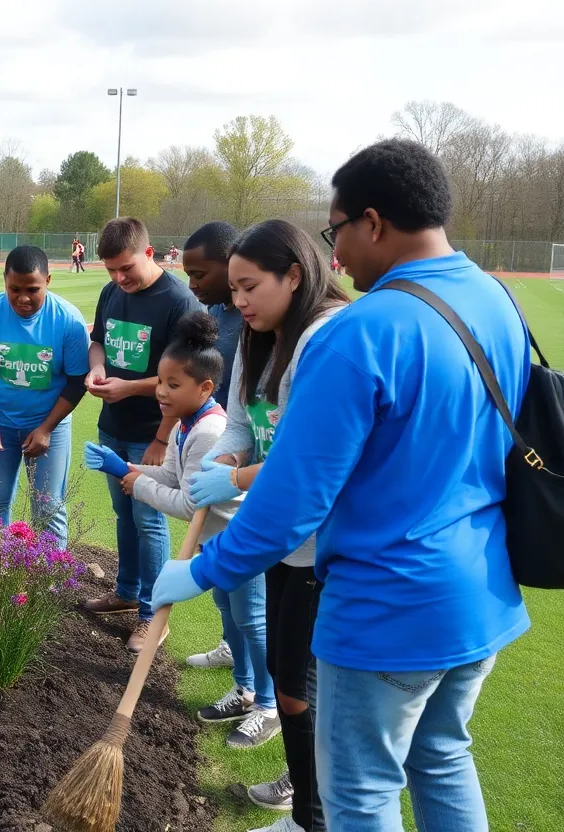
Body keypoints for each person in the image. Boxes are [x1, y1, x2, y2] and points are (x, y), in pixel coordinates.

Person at [153, 139, 532, 832]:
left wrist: (204, 570)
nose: (340, 256)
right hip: (481, 591)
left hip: (390, 604)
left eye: (338, 233)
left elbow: (294, 500)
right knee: (442, 758)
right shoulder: (496, 298)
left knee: (359, 797)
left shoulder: (355, 333)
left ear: (374, 221)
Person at [194, 219, 350, 828]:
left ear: (294, 274)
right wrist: (224, 455)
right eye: (232, 289)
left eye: (248, 287)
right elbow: (240, 422)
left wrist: (231, 480)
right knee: (289, 684)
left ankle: (312, 810)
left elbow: (303, 457)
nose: (238, 303)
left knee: (302, 686)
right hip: (281, 539)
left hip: (321, 543)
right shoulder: (258, 336)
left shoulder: (325, 340)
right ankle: (308, 803)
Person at [104, 310, 279, 753]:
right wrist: (126, 468)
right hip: (216, 541)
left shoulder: (209, 430)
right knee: (229, 610)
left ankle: (268, 704)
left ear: (204, 388)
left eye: (172, 385)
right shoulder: (186, 424)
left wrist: (137, 485)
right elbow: (170, 475)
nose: (161, 392)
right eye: (160, 382)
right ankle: (243, 689)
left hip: (243, 539)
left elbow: (186, 502)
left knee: (253, 621)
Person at [81, 217, 201, 652]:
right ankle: (126, 592)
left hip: (153, 431)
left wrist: (160, 437)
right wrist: (98, 367)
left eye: (126, 268)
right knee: (124, 515)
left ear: (149, 254)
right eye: (110, 269)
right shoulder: (111, 292)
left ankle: (152, 615)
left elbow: (185, 381)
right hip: (113, 427)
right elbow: (98, 341)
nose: (118, 278)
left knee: (149, 521)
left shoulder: (179, 301)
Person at [0, 245, 90, 546]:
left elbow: (76, 382)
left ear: (48, 280)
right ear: (4, 281)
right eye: (14, 289)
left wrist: (46, 429)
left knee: (48, 508)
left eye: (32, 289)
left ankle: (49, 586)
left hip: (50, 426)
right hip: (1, 426)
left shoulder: (69, 321)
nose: (22, 298)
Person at [179, 221, 245, 672]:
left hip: (246, 469)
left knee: (248, 592)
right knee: (223, 579)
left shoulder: (254, 319)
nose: (192, 285)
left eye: (200, 274)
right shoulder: (218, 314)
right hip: (220, 451)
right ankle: (232, 646)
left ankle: (258, 690)